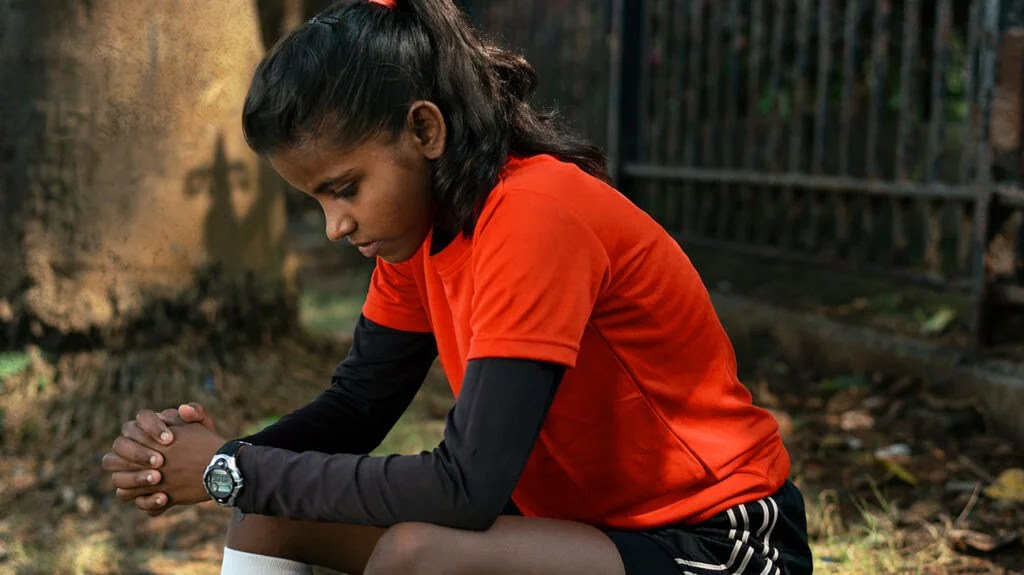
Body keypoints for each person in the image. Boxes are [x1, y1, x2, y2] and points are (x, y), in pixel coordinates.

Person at [102, 0, 814, 573]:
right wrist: (208, 458)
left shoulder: (535, 215)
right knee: (270, 515)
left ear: (424, 129)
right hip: (574, 534)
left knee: (422, 556)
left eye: (344, 188)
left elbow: (465, 487)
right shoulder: (421, 234)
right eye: (316, 200)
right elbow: (355, 408)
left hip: (717, 542)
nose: (334, 226)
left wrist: (232, 467)